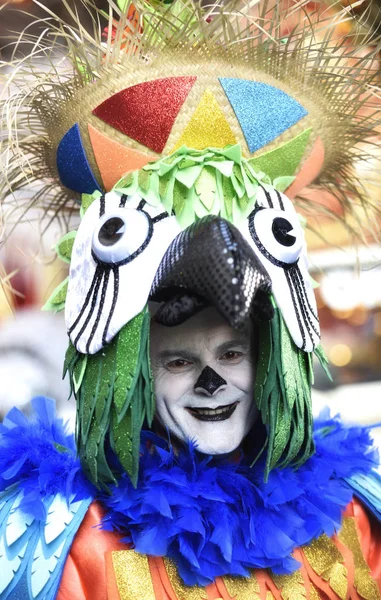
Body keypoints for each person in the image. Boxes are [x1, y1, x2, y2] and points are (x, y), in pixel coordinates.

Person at [0, 1, 380, 598]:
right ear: (129, 375)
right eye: (178, 361)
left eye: (232, 353)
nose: (212, 384)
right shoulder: (68, 544)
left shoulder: (353, 515)